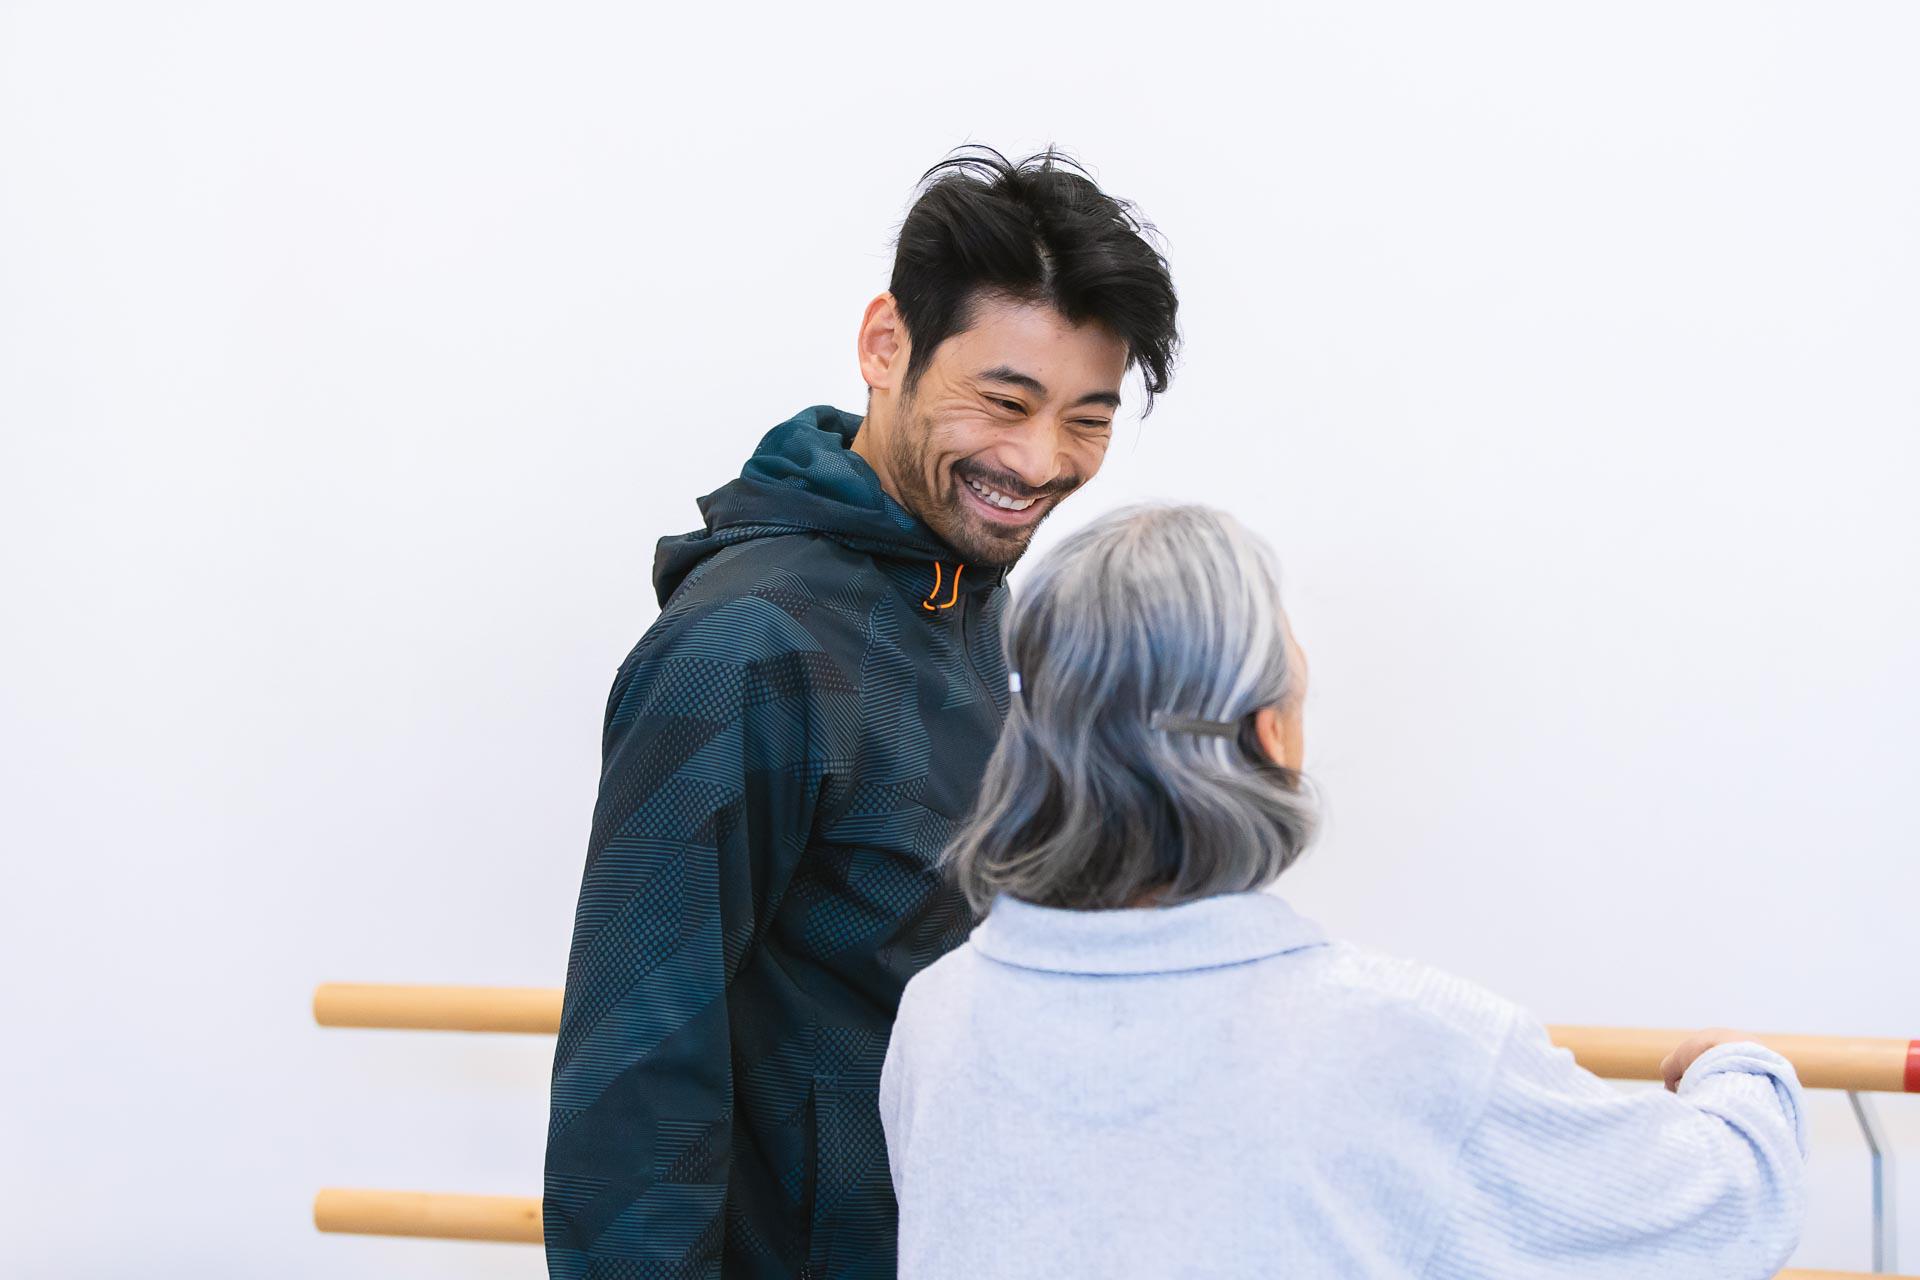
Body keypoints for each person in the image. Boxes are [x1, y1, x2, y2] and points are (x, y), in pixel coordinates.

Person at [543, 147, 1180, 1279]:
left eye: (1086, 418)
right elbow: (633, 1076)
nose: (1039, 462)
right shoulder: (742, 647)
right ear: (887, 344)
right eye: (1005, 400)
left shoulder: (965, 589)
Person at [879, 504, 1807, 1279]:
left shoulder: (939, 1015)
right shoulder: (1398, 1041)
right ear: (1270, 736)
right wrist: (1740, 1070)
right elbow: (1730, 1208)